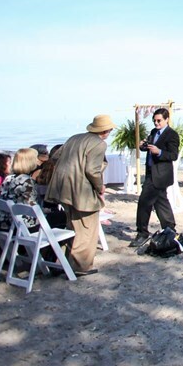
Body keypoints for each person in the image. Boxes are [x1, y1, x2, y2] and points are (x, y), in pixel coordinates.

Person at [45, 115, 112, 276]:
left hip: (63, 189)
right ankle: (80, 266)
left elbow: (55, 157)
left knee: (72, 224)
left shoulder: (74, 138)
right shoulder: (99, 144)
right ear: (105, 131)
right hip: (81, 191)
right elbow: (92, 170)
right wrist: (99, 187)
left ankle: (65, 261)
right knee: (87, 230)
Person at [131, 108, 179, 248]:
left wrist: (160, 152)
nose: (156, 123)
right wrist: (143, 146)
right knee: (160, 201)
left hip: (161, 174)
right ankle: (169, 227)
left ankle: (142, 233)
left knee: (144, 202)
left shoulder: (172, 135)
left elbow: (173, 155)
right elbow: (150, 146)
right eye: (155, 120)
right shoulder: (153, 132)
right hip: (151, 172)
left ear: (166, 120)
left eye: (159, 121)